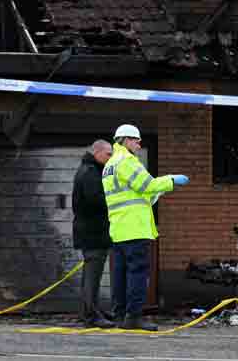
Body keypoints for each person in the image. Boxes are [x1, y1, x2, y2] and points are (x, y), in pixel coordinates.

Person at [103, 123, 189, 332]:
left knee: (121, 274)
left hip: (119, 229)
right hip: (135, 228)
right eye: (136, 140)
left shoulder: (109, 165)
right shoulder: (128, 161)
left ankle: (121, 315)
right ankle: (134, 317)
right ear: (125, 140)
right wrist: (170, 180)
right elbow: (148, 185)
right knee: (138, 273)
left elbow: (134, 194)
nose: (139, 145)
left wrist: (153, 194)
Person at [72, 139, 114, 328]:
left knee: (90, 275)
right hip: (93, 232)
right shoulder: (90, 172)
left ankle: (88, 310)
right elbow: (96, 201)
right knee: (92, 276)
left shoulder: (90, 170)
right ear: (96, 152)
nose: (110, 158)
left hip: (91, 231)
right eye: (108, 154)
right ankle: (91, 315)